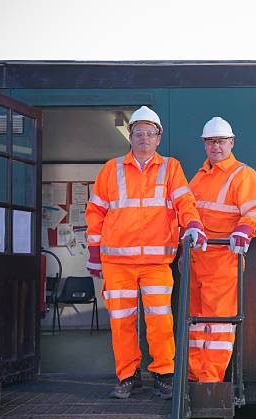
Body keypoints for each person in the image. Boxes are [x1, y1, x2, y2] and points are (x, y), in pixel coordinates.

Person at [86, 106, 207, 399]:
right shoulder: (110, 169)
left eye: (149, 133)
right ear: (130, 136)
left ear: (158, 136)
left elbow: (184, 201)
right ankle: (127, 376)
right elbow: (95, 211)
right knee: (121, 321)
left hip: (156, 262)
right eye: (138, 133)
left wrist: (193, 223)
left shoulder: (171, 167)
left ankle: (164, 374)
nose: (143, 138)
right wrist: (93, 253)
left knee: (160, 320)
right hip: (117, 262)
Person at [187, 116, 256, 382]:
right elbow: (187, 212)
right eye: (211, 141)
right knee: (196, 321)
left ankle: (210, 379)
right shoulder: (199, 177)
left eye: (221, 141)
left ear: (231, 142)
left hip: (224, 260)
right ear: (204, 145)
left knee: (220, 323)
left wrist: (244, 229)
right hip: (196, 260)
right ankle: (193, 374)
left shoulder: (242, 175)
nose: (216, 146)